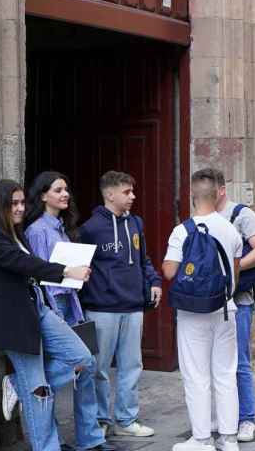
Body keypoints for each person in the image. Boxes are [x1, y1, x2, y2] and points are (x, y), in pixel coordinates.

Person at [0, 179, 114, 451]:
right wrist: (65, 271)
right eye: (12, 203)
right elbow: (24, 264)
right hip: (15, 320)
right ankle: (48, 447)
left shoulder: (17, 233)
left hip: (37, 309)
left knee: (84, 359)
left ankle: (17, 383)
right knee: (38, 393)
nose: (19, 208)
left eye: (21, 202)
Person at [164, 170, 244, 451]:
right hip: (225, 308)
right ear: (217, 194)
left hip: (192, 313)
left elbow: (170, 271)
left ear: (192, 196)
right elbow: (235, 272)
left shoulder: (181, 230)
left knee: (196, 375)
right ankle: (229, 439)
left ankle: (201, 440)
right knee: (225, 373)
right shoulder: (230, 229)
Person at [79, 171, 162, 438]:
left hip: (133, 306)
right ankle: (101, 420)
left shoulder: (136, 223)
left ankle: (126, 419)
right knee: (99, 369)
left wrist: (154, 281)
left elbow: (143, 258)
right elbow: (79, 267)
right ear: (110, 194)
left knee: (131, 366)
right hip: (101, 308)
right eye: (127, 192)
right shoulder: (90, 228)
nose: (132, 196)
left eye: (132, 191)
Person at [205, 169, 255, 443]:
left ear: (221, 189)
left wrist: (233, 269)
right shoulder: (199, 217)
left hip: (238, 301)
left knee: (239, 362)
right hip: (208, 302)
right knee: (212, 363)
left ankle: (246, 418)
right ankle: (222, 416)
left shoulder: (241, 214)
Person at [24, 171, 85, 326]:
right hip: (52, 301)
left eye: (66, 190)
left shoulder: (62, 227)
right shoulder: (37, 230)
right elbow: (40, 270)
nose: (65, 194)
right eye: (58, 191)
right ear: (43, 196)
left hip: (70, 295)